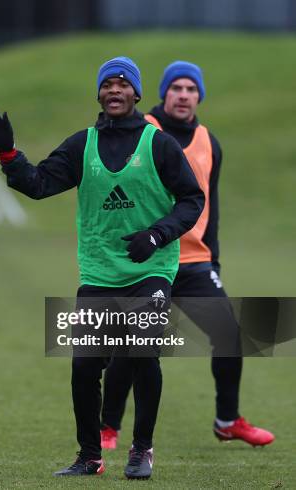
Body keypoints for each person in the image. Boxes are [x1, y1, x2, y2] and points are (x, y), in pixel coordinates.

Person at [0, 57, 204, 479]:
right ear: (99, 94)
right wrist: (7, 152)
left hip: (151, 270)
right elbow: (39, 184)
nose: (114, 90)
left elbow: (192, 199)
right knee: (84, 367)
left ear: (136, 94)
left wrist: (156, 235)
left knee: (143, 354)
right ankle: (89, 456)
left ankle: (141, 450)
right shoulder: (83, 145)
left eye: (122, 84)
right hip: (99, 274)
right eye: (107, 85)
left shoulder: (158, 144)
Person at [99, 61, 274, 450]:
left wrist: (214, 260)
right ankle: (107, 428)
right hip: (147, 260)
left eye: (191, 89)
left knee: (228, 334)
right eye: (176, 87)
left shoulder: (210, 143)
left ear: (199, 96)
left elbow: (208, 205)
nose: (183, 94)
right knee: (134, 345)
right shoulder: (139, 129)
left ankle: (227, 421)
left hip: (194, 261)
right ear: (163, 93)